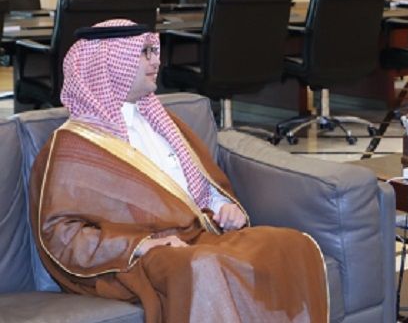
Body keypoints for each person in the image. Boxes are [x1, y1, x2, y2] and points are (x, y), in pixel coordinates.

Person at [29, 19, 329, 323]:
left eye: (153, 51)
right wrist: (142, 245)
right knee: (203, 267)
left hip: (199, 235)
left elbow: (198, 185)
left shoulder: (161, 119)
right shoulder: (73, 144)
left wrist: (223, 207)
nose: (155, 61)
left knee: (291, 245)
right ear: (108, 65)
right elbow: (60, 235)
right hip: (140, 256)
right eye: (144, 53)